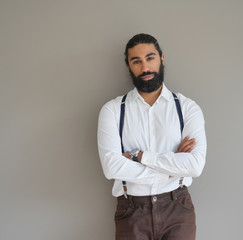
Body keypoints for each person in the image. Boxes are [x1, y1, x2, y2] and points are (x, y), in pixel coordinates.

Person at [97, 33, 207, 240]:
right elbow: (112, 167)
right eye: (136, 61)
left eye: (150, 58)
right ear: (128, 65)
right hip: (131, 211)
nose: (145, 68)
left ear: (162, 58)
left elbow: (195, 165)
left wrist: (140, 157)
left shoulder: (187, 108)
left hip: (178, 210)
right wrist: (173, 169)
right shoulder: (112, 110)